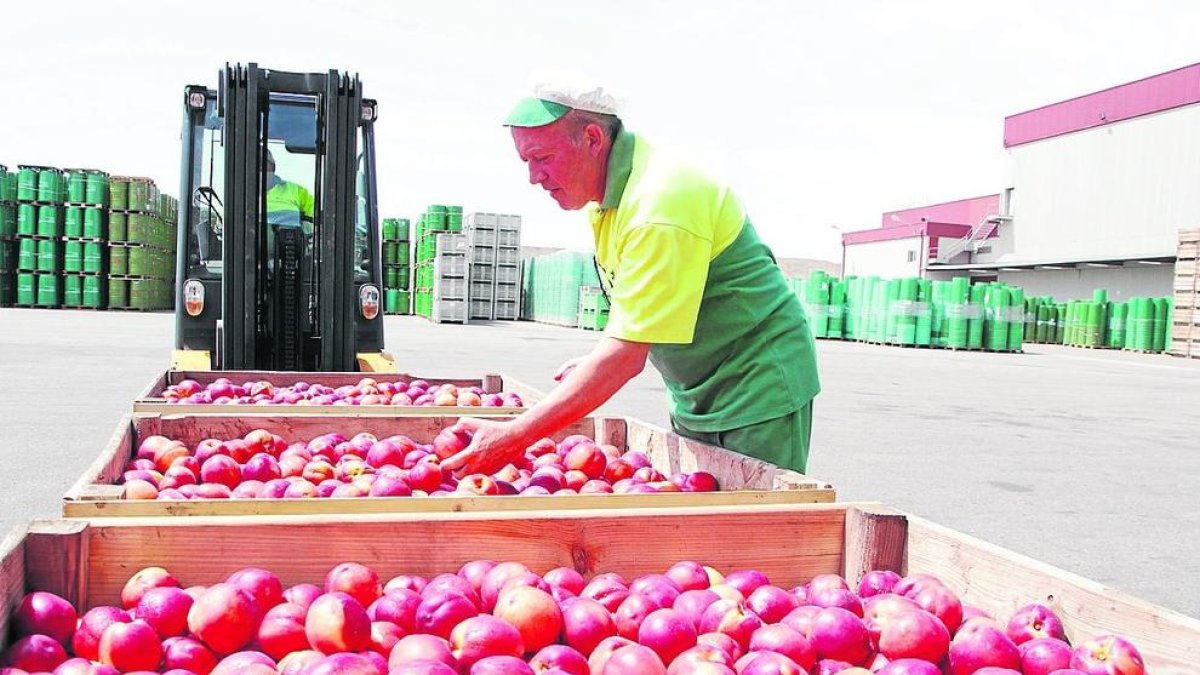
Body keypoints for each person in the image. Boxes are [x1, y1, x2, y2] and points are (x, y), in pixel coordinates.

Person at [443, 81, 820, 476]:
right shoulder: (605, 201)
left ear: (592, 138)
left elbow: (625, 357)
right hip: (698, 388)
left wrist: (513, 436)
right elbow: (638, 305)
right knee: (698, 520)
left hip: (756, 385)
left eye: (542, 157)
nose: (534, 177)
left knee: (752, 529)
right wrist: (597, 359)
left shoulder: (660, 202)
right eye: (526, 162)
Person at [265, 150, 315, 234]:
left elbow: (320, 221)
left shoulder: (296, 191)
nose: (260, 172)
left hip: (290, 245)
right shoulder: (237, 193)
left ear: (273, 169)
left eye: (265, 167)